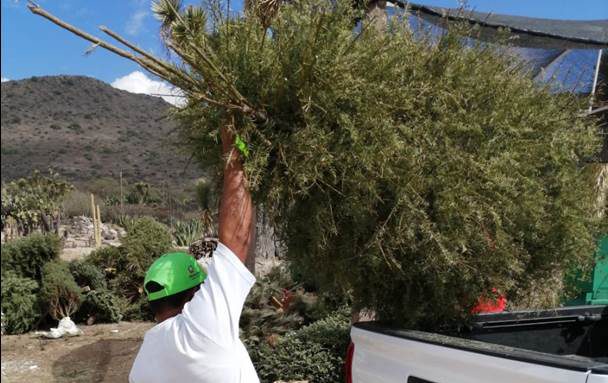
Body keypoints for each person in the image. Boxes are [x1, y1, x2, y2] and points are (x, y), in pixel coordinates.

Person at [129, 127, 259, 383]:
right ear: (194, 295)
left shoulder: (142, 363)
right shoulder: (202, 329)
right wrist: (233, 151)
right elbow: (236, 241)